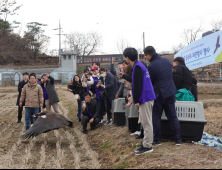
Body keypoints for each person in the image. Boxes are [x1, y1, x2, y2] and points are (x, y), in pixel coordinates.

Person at [145, 46, 182, 146]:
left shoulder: (152, 66)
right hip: (170, 91)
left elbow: (150, 81)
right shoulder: (167, 61)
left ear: (148, 55)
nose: (146, 58)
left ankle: (157, 140)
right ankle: (178, 140)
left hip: (159, 94)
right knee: (173, 116)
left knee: (156, 116)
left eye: (145, 56)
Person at [124, 48, 156, 156]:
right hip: (147, 96)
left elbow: (137, 85)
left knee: (147, 123)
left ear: (127, 58)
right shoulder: (140, 65)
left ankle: (148, 146)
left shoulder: (137, 67)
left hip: (145, 97)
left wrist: (136, 100)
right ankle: (146, 143)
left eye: (125, 57)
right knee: (146, 122)